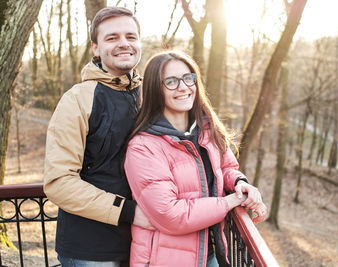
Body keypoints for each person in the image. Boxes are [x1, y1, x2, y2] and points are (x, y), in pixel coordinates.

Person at [124, 51, 267, 267]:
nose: (183, 87)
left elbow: (226, 167)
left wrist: (240, 183)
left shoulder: (207, 130)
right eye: (171, 82)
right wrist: (230, 201)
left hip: (209, 253)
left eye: (188, 78)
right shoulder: (143, 147)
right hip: (165, 260)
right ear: (156, 89)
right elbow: (170, 215)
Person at [44, 7, 152, 267]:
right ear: (95, 48)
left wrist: (237, 180)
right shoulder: (77, 100)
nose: (124, 44)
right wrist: (128, 212)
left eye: (131, 36)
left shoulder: (152, 95)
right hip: (90, 250)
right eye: (112, 38)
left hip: (147, 243)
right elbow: (59, 182)